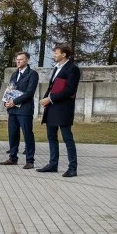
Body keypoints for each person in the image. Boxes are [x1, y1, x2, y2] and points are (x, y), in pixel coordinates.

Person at [39, 43, 80, 177]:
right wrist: (45, 99)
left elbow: (69, 90)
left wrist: (50, 99)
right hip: (52, 108)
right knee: (51, 137)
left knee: (67, 138)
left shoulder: (73, 69)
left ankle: (72, 168)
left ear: (64, 55)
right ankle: (53, 164)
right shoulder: (56, 68)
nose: (54, 55)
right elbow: (52, 87)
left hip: (63, 108)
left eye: (56, 53)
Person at [0, 51, 38, 169]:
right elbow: (10, 90)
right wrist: (6, 101)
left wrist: (14, 102)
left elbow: (29, 93)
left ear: (27, 60)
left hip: (25, 110)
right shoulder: (14, 74)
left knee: (27, 134)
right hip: (12, 110)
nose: (18, 61)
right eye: (17, 60)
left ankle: (30, 160)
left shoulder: (32, 74)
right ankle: (13, 158)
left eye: (21, 59)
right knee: (13, 134)